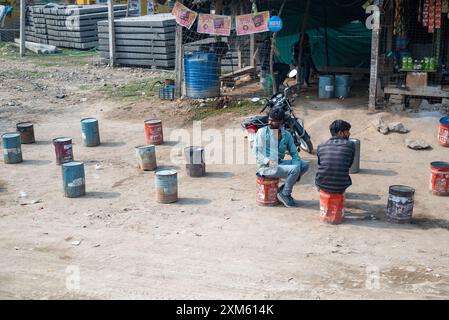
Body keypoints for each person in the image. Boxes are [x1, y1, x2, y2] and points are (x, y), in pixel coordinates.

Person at [253, 108, 310, 208]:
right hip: (266, 168)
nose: (270, 122)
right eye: (269, 119)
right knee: (295, 169)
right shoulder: (262, 132)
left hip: (279, 164)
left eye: (273, 121)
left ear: (280, 122)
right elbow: (257, 153)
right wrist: (268, 161)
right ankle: (285, 193)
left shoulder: (286, 135)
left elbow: (294, 154)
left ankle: (283, 190)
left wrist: (297, 168)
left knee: (304, 164)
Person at [315, 120, 355, 194]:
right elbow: (349, 165)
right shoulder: (350, 145)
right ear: (340, 133)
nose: (349, 133)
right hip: (341, 186)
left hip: (322, 184)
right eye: (347, 131)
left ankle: (323, 190)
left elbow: (320, 164)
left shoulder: (321, 146)